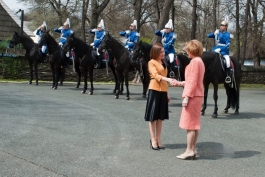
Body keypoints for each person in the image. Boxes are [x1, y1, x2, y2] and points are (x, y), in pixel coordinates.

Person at [170, 40, 205, 160]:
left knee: (190, 125)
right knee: (194, 125)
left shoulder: (195, 62)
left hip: (193, 96)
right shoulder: (199, 61)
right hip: (197, 95)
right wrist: (179, 83)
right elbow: (192, 81)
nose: (186, 51)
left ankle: (189, 150)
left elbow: (193, 82)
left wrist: (187, 97)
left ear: (192, 50)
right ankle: (193, 149)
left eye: (187, 49)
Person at [144, 43, 173, 150]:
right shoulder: (151, 62)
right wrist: (169, 79)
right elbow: (156, 76)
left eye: (163, 51)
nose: (163, 53)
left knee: (160, 117)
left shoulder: (163, 62)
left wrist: (167, 94)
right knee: (153, 117)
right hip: (154, 89)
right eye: (161, 52)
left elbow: (164, 77)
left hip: (163, 91)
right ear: (155, 52)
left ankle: (158, 138)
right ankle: (153, 139)